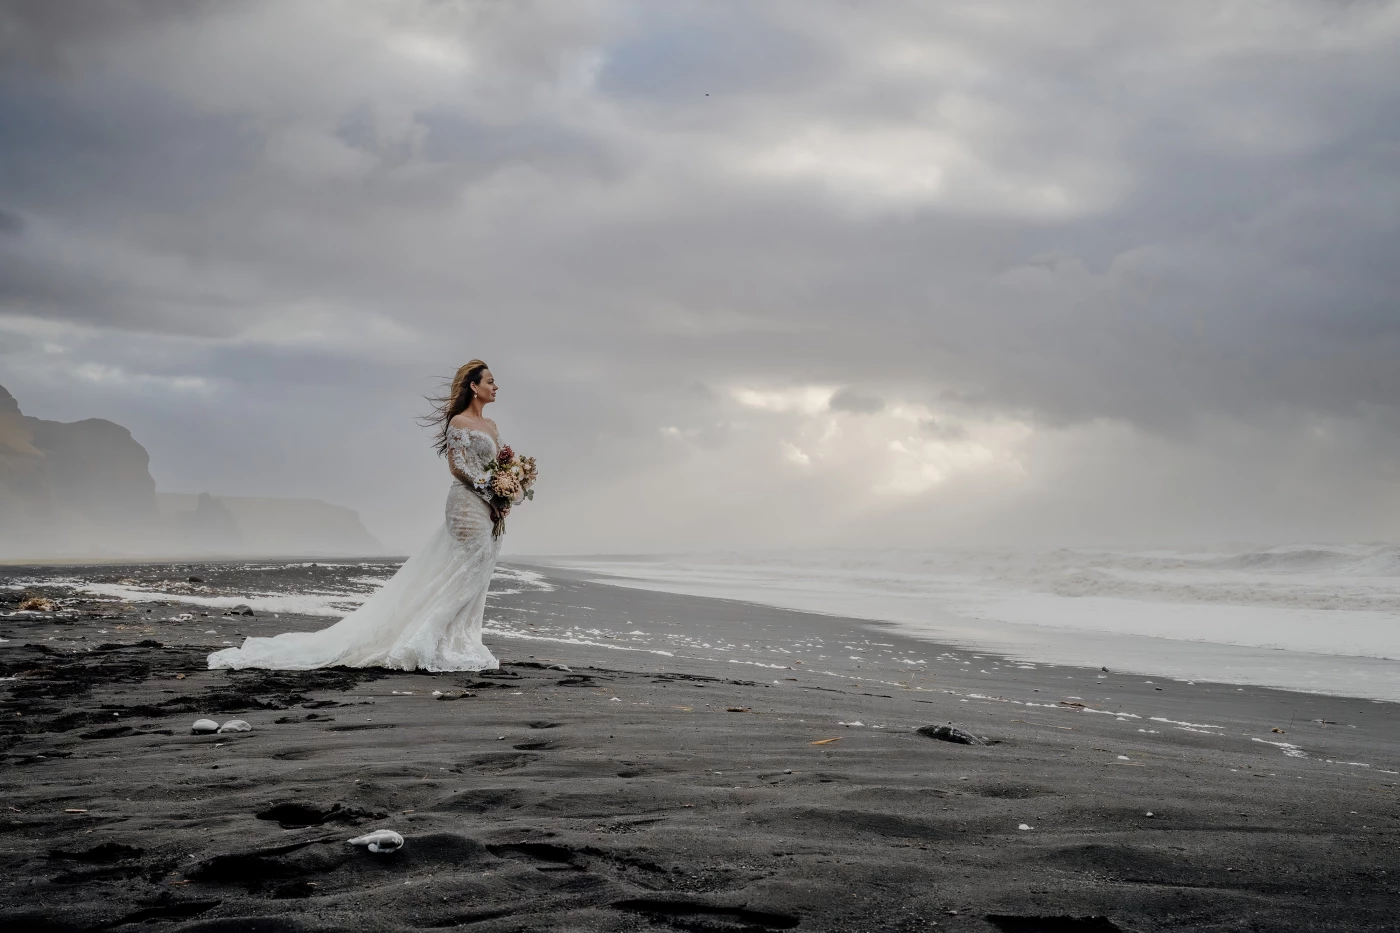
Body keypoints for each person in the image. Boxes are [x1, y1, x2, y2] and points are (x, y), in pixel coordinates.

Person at [208, 360, 507, 671]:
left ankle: (455, 640)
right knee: (464, 570)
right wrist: (490, 492)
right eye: (490, 381)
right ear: (474, 386)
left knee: (479, 569)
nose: (495, 387)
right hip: (466, 506)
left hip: (490, 508)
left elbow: (498, 468)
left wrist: (506, 490)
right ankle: (426, 638)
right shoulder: (459, 423)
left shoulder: (493, 427)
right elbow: (457, 468)